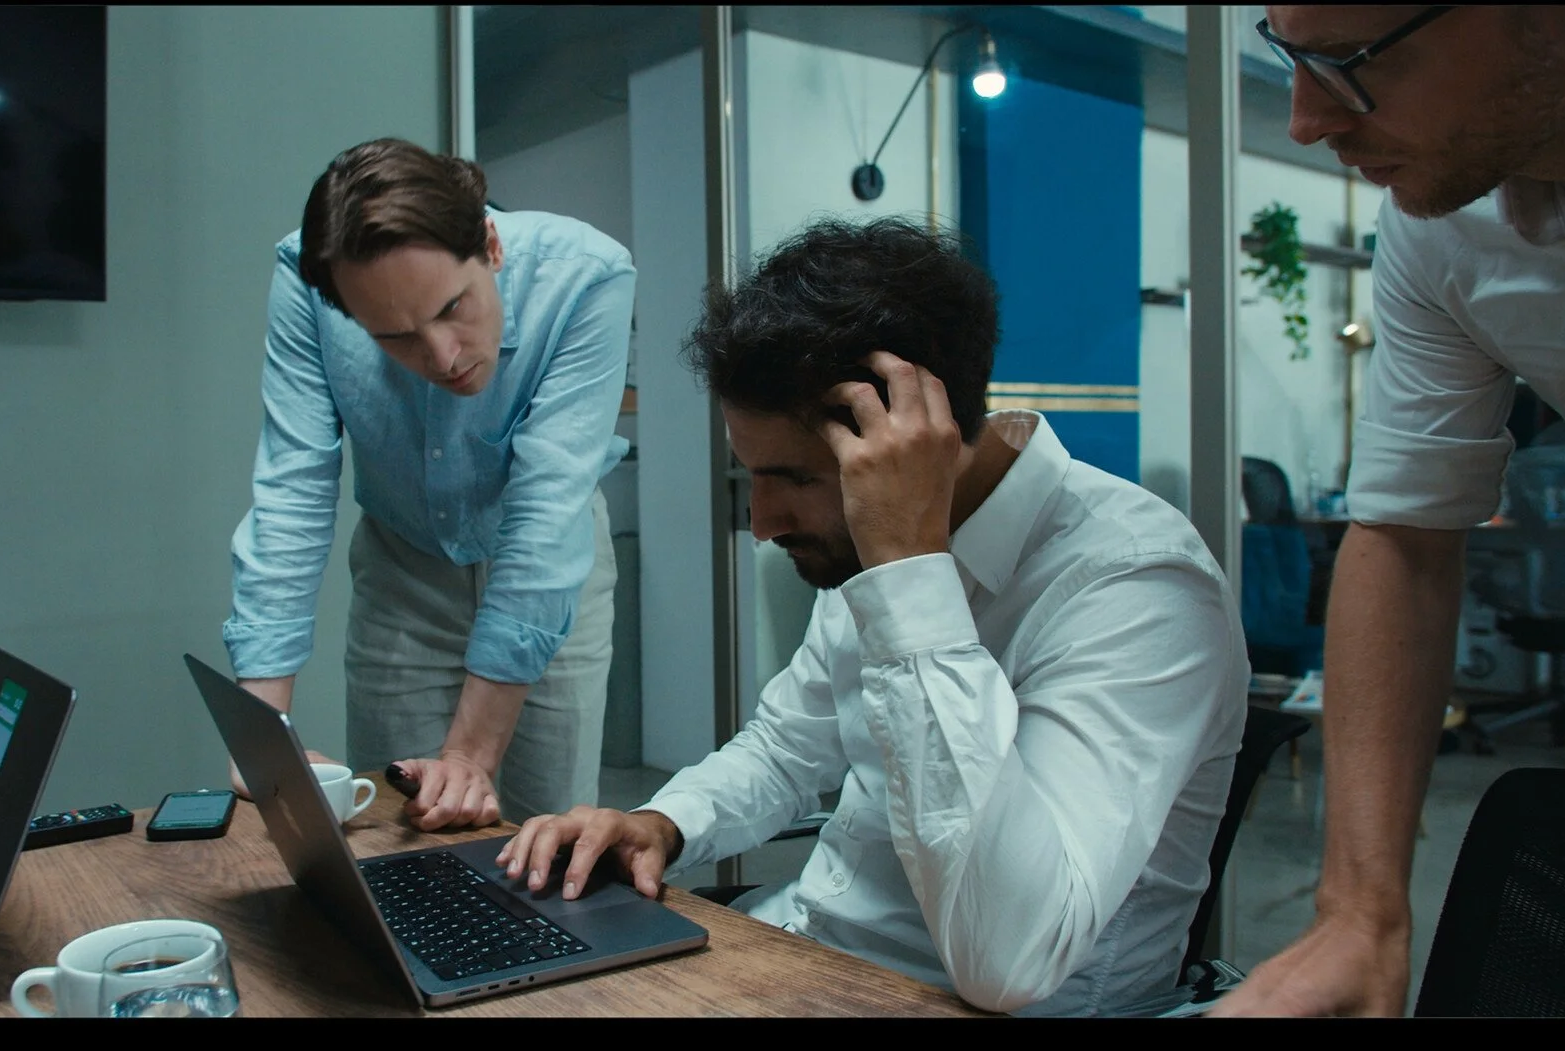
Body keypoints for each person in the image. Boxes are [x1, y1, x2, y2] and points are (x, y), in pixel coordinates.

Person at [493, 217, 1249, 1016]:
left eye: (796, 478)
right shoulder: (868, 549)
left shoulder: (1137, 584)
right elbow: (788, 746)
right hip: (800, 953)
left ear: (919, 441)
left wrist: (911, 575)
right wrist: (661, 823)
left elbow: (1013, 958)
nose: (762, 522)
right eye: (750, 474)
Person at [1217, 6, 1565, 1017]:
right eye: (1290, 58)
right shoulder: (1444, 225)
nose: (1303, 118)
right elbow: (1407, 535)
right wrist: (1359, 912)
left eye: (1351, 63)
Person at [222, 138, 636, 832]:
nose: (442, 356)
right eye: (395, 336)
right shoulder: (305, 278)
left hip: (549, 571)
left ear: (491, 247)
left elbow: (545, 515)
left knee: (545, 835)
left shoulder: (586, 277)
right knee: (399, 831)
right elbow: (293, 486)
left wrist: (470, 755)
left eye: (451, 308)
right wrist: (260, 729)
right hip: (403, 575)